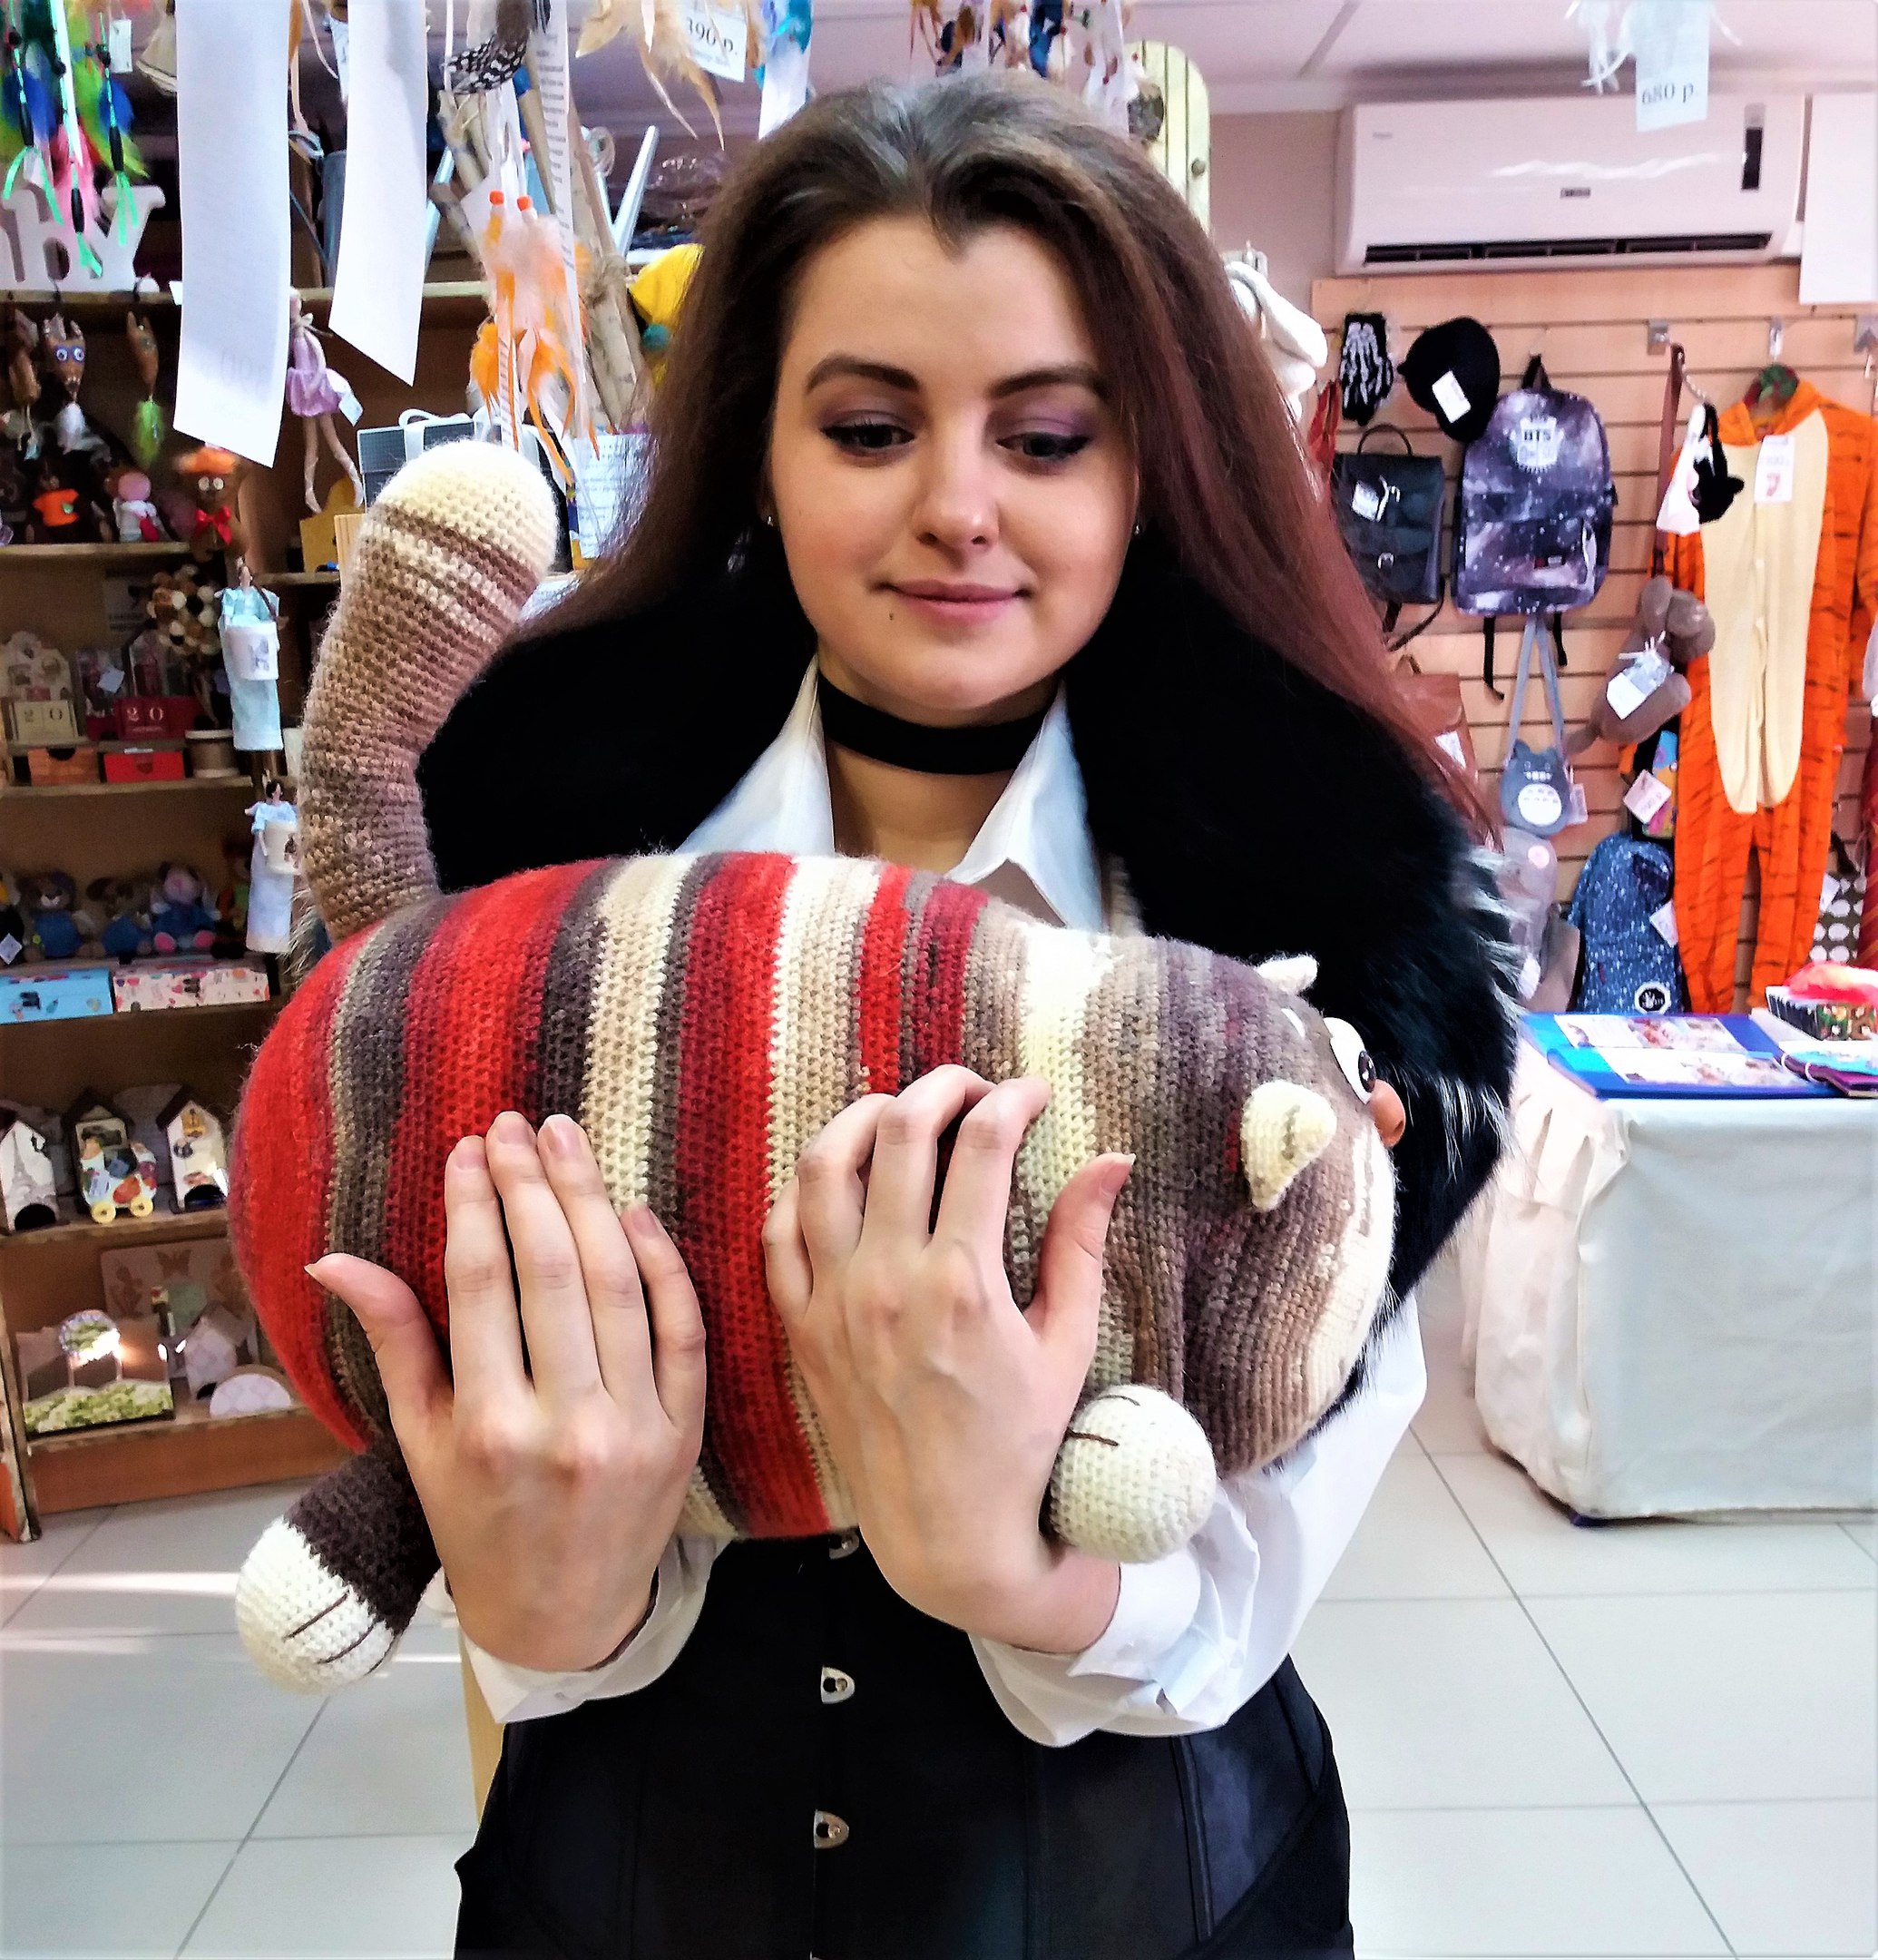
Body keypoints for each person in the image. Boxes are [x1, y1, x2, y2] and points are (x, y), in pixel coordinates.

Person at [325, 74, 1516, 1960]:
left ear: (1148, 468)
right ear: (760, 449)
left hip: (1149, 1890)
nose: (958, 509)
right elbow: (483, 1499)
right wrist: (550, 1606)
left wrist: (1016, 1575)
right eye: (870, 428)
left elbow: (1251, 1573)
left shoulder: (1321, 916)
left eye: (1045, 437)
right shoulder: (528, 871)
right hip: (626, 1884)